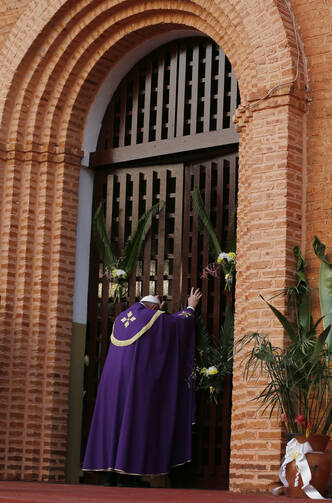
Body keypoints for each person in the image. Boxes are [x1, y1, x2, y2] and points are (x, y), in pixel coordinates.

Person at [82, 287, 202, 484]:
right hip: (137, 383)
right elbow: (178, 324)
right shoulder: (155, 317)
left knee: (114, 422)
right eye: (159, 308)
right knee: (133, 419)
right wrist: (191, 307)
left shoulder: (122, 318)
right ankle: (127, 474)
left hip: (112, 384)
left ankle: (109, 474)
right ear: (155, 307)